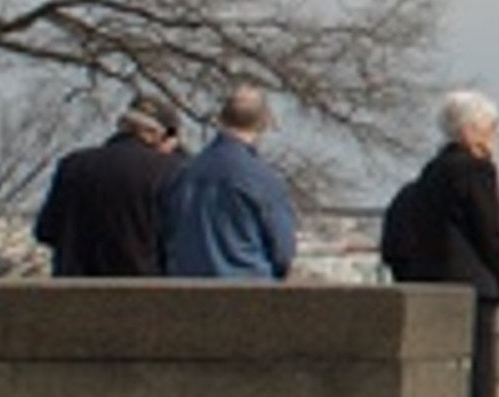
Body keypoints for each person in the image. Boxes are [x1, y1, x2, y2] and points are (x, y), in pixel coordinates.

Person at [378, 90, 499, 397]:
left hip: (433, 290)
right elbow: (489, 234)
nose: (496, 139)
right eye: (493, 129)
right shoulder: (475, 172)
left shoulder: (428, 176)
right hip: (471, 293)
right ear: (473, 131)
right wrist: (498, 279)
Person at [31, 94, 181, 277]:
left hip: (74, 294)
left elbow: (45, 232)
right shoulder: (171, 172)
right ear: (163, 135)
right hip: (143, 293)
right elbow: (179, 241)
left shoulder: (73, 165)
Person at [160, 87, 300, 280]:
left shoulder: (185, 172)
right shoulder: (263, 179)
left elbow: (167, 234)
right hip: (247, 291)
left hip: (188, 291)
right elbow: (283, 251)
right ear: (264, 122)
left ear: (223, 118)